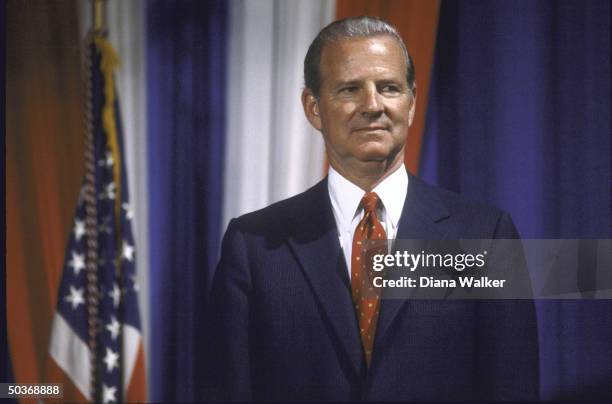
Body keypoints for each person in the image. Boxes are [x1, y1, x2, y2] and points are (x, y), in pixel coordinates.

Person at [203, 16, 539, 401]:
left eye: (389, 88)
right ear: (313, 108)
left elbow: (511, 387)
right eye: (349, 89)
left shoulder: (486, 234)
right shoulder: (253, 245)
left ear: (411, 103)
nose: (373, 105)